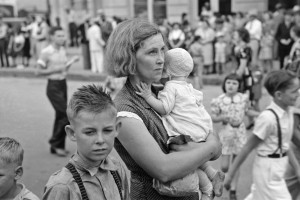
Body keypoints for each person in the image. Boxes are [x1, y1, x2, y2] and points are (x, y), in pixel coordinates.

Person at [104, 18, 222, 200]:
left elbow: (202, 128)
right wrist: (211, 147)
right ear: (129, 57)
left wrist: (207, 146)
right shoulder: (124, 110)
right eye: (152, 52)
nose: (161, 60)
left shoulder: (163, 92)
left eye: (162, 50)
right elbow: (164, 169)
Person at [136, 48, 225, 200]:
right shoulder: (188, 87)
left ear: (167, 69)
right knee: (195, 159)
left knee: (183, 163)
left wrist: (148, 96)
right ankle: (213, 174)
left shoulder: (171, 87)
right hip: (200, 130)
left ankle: (207, 188)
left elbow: (164, 108)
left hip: (186, 133)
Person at [43, 84, 130, 200]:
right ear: (72, 133)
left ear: (116, 129)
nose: (100, 140)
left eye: (107, 130)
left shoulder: (117, 169)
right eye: (90, 132)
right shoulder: (62, 187)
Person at [224, 70, 300, 200]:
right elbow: (248, 147)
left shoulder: (289, 113)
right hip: (267, 170)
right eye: (294, 91)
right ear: (279, 95)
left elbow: (285, 146)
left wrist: (298, 169)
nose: (298, 94)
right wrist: (230, 175)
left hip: (278, 168)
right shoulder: (267, 118)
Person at [210, 73, 259, 200]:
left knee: (237, 163)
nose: (231, 86)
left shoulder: (244, 98)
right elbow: (214, 118)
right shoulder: (218, 100)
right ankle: (225, 179)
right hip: (226, 135)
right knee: (225, 166)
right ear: (224, 84)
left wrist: (260, 114)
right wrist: (222, 117)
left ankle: (233, 190)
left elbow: (248, 111)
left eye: (234, 83)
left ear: (239, 86)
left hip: (240, 133)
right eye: (229, 83)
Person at [35, 27, 79, 157]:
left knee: (60, 116)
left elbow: (64, 69)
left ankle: (57, 146)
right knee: (65, 115)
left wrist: (71, 62)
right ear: (52, 37)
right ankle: (54, 142)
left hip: (62, 84)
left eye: (63, 35)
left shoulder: (62, 50)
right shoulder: (46, 52)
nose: (63, 38)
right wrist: (55, 70)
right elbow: (37, 71)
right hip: (53, 86)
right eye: (59, 36)